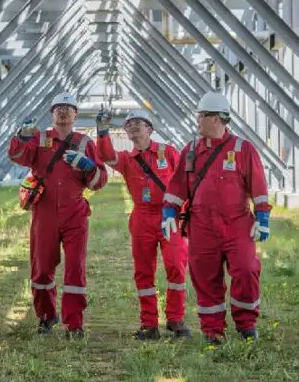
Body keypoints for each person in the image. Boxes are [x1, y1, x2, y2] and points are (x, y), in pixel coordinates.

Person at [161, 91, 272, 345]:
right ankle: (212, 330)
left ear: (217, 119)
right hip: (201, 226)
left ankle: (246, 324)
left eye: (202, 115)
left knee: (246, 269)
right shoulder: (190, 150)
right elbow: (177, 186)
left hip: (237, 225)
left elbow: (258, 185)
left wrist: (262, 216)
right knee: (205, 277)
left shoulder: (243, 149)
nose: (197, 120)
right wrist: (168, 212)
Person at [8, 92, 108, 339]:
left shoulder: (85, 144)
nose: (63, 112)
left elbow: (99, 181)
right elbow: (18, 157)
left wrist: (87, 165)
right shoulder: (39, 138)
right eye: (58, 108)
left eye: (68, 108)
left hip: (75, 214)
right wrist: (21, 136)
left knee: (75, 269)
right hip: (44, 214)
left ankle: (74, 323)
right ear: (52, 114)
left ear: (75, 114)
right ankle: (46, 315)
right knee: (42, 269)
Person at [95, 109, 190, 340]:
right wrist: (102, 131)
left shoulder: (168, 152)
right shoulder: (127, 160)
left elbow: (185, 182)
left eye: (139, 123)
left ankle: (175, 319)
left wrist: (185, 214)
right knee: (143, 272)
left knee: (176, 265)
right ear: (125, 133)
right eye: (129, 125)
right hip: (142, 218)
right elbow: (106, 155)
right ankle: (149, 324)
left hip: (170, 216)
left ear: (150, 129)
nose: (133, 127)